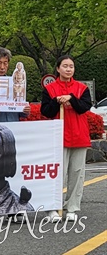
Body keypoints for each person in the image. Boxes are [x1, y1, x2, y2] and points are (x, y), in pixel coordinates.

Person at [41, 55, 91, 223]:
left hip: (79, 135)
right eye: (65, 66)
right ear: (58, 69)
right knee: (57, 174)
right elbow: (46, 111)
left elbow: (85, 107)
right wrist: (56, 101)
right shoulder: (50, 89)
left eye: (71, 66)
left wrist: (71, 98)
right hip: (58, 137)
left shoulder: (81, 88)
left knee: (77, 174)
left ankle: (72, 207)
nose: (68, 69)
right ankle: (53, 208)